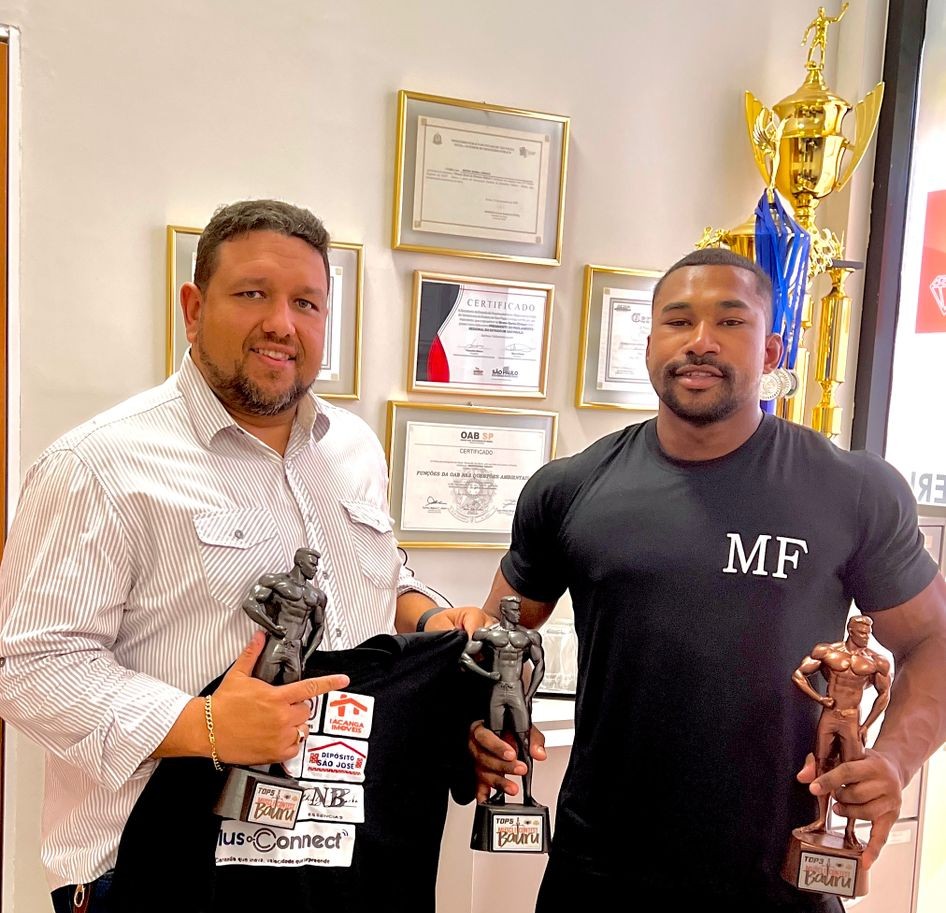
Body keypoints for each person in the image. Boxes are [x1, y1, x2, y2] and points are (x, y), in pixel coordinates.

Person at [0, 199, 485, 911]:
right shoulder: (99, 464)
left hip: (342, 858)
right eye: (253, 293)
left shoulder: (352, 449)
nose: (282, 324)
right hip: (161, 871)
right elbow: (29, 666)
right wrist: (204, 726)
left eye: (306, 303)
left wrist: (430, 618)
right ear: (194, 309)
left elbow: (381, 573)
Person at [469, 247, 946, 911]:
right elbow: (497, 635)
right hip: (599, 874)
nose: (700, 341)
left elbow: (933, 641)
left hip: (780, 880)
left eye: (730, 321)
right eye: (677, 321)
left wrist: (893, 758)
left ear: (772, 349)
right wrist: (485, 727)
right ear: (649, 346)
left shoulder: (852, 489)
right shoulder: (569, 487)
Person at [792, 614, 891, 850]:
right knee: (822, 763)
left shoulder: (875, 661)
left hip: (852, 719)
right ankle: (820, 821)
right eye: (862, 632)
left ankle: (850, 829)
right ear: (851, 631)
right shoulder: (828, 652)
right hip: (829, 715)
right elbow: (798, 675)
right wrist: (819, 699)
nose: (866, 637)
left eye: (868, 633)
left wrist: (866, 725)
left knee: (852, 771)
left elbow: (884, 695)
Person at [461, 594, 545, 806]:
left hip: (516, 691)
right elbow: (464, 657)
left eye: (519, 609)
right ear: (504, 610)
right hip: (497, 691)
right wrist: (486, 675)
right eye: (514, 609)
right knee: (495, 742)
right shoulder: (489, 634)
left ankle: (528, 796)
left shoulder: (528, 637)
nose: (518, 613)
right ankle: (499, 794)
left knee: (524, 742)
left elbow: (540, 665)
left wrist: (529, 694)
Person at [242, 546, 328, 684]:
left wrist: (305, 657)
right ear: (300, 562)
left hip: (296, 648)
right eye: (312, 564)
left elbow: (320, 627)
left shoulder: (317, 595)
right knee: (260, 685)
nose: (316, 569)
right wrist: (272, 628)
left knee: (293, 692)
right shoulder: (275, 581)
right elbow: (249, 604)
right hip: (276, 641)